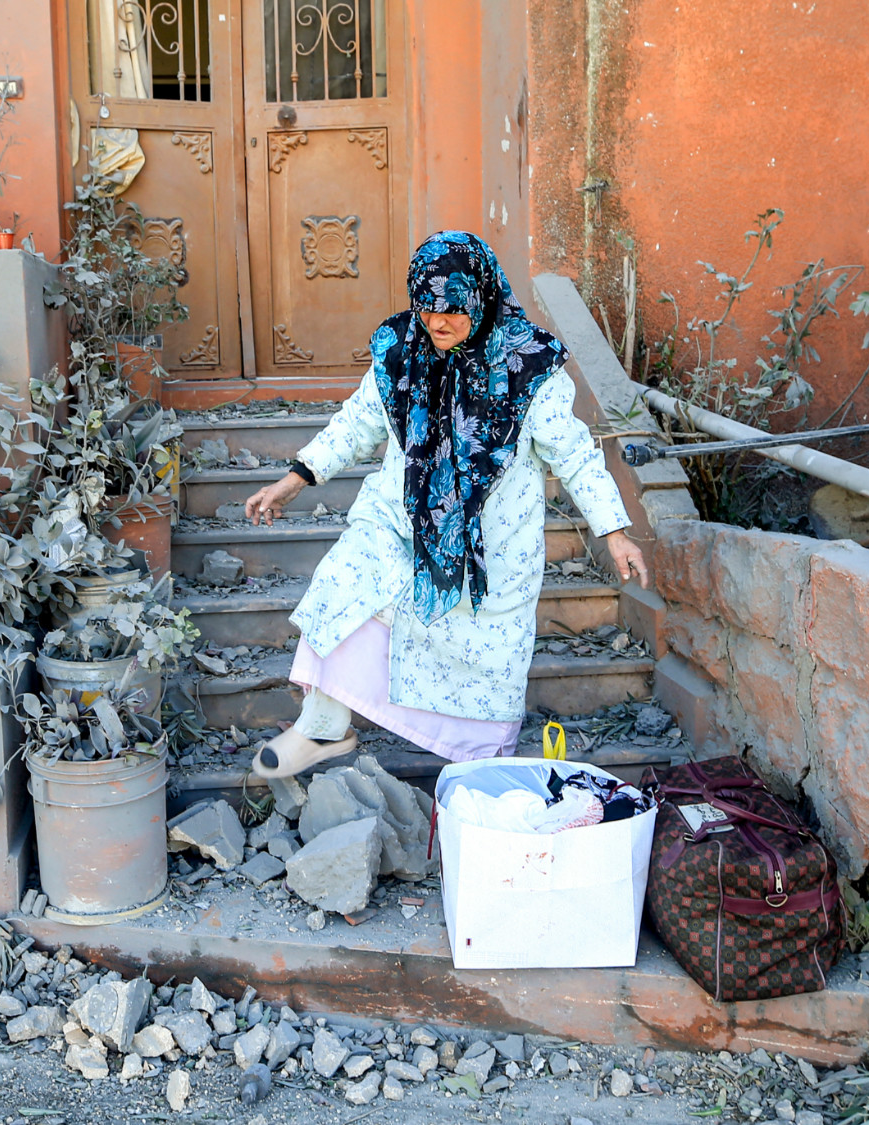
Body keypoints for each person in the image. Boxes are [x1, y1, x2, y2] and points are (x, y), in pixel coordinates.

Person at [242, 230, 649, 778]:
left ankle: (478, 766)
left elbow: (575, 454)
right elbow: (358, 422)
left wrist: (614, 532)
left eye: (452, 309)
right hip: (398, 517)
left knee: (475, 653)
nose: (437, 322)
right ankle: (322, 726)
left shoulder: (529, 366)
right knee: (347, 581)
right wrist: (297, 477)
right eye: (426, 307)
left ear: (479, 297)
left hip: (487, 544)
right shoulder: (400, 349)